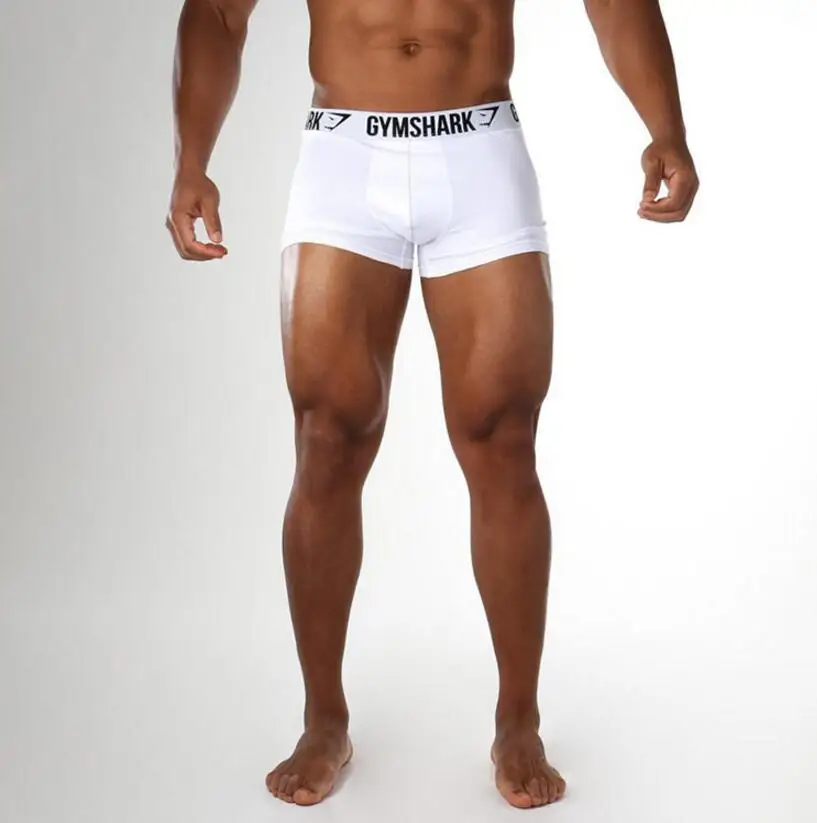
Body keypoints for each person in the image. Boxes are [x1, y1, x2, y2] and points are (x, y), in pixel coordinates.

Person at [166, 0, 699, 809]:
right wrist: (191, 159)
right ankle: (323, 719)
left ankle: (518, 719)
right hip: (344, 158)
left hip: (478, 153)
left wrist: (665, 126)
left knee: (502, 438)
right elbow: (215, 12)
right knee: (326, 436)